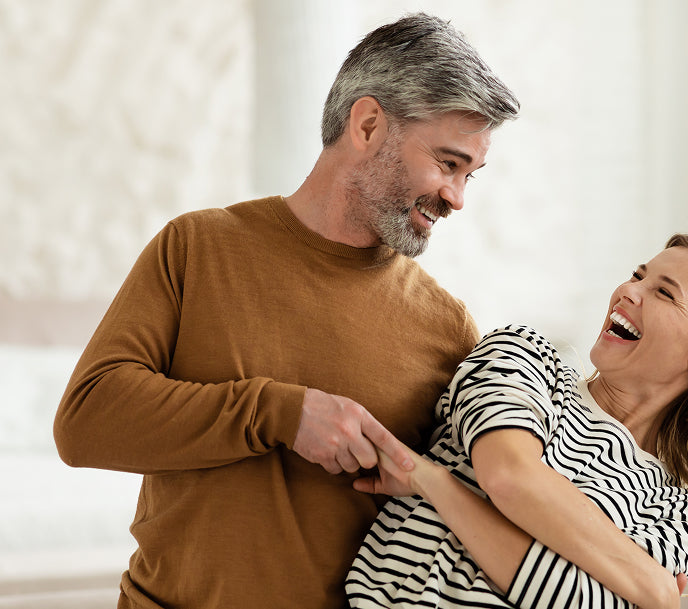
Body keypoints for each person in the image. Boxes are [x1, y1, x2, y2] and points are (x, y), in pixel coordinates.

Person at [53, 13, 519, 609]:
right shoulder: (197, 247)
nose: (456, 197)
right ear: (370, 125)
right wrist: (280, 412)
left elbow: (466, 528)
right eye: (448, 163)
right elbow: (86, 422)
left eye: (469, 177)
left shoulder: (448, 329)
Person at [346, 234, 688, 608]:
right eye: (638, 274)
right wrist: (649, 585)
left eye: (663, 293)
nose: (628, 292)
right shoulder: (524, 358)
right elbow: (509, 477)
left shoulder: (682, 516)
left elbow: (580, 603)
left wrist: (433, 481)